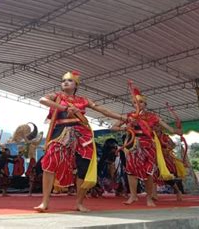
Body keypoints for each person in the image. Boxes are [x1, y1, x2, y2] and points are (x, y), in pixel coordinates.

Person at [34, 70, 127, 212]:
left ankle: (79, 203)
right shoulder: (56, 96)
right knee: (50, 163)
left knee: (83, 167)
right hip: (60, 133)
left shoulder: (84, 100)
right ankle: (44, 202)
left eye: (69, 80)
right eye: (63, 80)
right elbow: (42, 100)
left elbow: (104, 111)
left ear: (76, 84)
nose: (65, 82)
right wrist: (63, 108)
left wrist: (123, 118)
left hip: (82, 135)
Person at [111, 85, 182, 206]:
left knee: (149, 172)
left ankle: (149, 197)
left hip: (148, 145)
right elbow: (113, 128)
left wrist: (176, 131)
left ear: (145, 104)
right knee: (130, 171)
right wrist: (126, 127)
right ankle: (133, 196)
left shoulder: (153, 117)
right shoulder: (130, 116)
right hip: (133, 145)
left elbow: (169, 128)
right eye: (135, 102)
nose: (138, 104)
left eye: (140, 102)